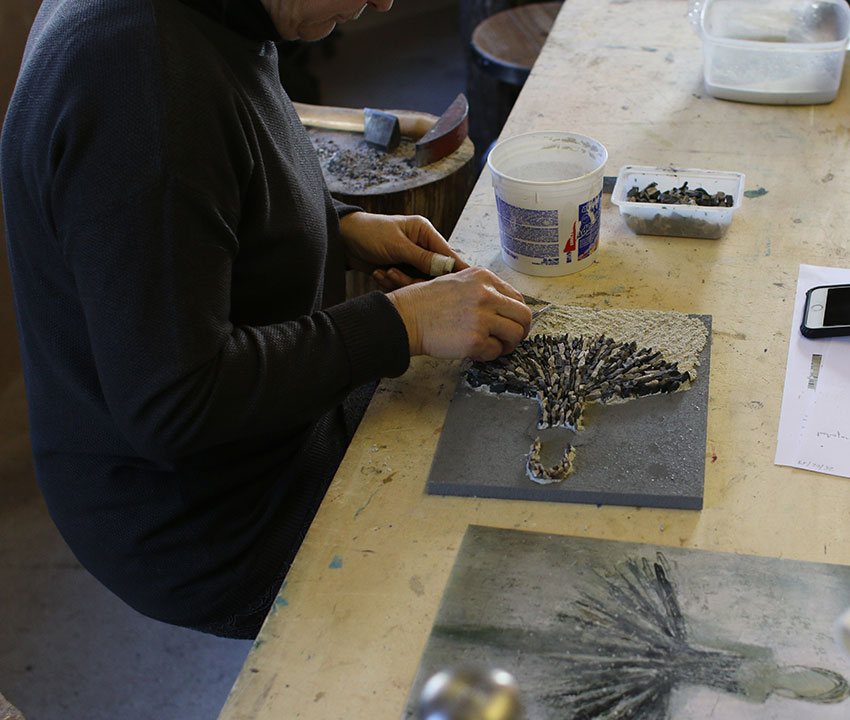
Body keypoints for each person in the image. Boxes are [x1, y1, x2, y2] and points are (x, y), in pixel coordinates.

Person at [0, 0, 531, 638]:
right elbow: (176, 402)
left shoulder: (222, 19)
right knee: (501, 580)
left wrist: (338, 226)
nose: (386, 3)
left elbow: (208, 194)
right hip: (208, 518)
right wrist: (401, 325)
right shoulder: (144, 83)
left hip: (253, 436)